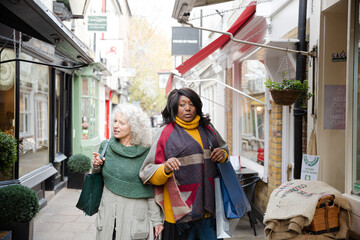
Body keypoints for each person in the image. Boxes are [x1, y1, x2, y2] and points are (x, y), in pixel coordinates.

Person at [140, 88, 229, 240]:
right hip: (178, 214)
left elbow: (224, 150)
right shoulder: (165, 133)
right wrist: (165, 168)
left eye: (191, 104)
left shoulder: (208, 129)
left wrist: (223, 154)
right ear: (174, 107)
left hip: (209, 209)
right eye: (182, 105)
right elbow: (146, 172)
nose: (187, 108)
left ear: (197, 107)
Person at [92, 103, 164, 240]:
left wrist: (157, 220)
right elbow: (97, 177)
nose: (115, 125)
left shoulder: (146, 153)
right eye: (115, 121)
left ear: (134, 127)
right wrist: (96, 165)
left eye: (121, 123)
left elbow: (150, 189)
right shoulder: (106, 146)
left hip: (134, 219)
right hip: (108, 216)